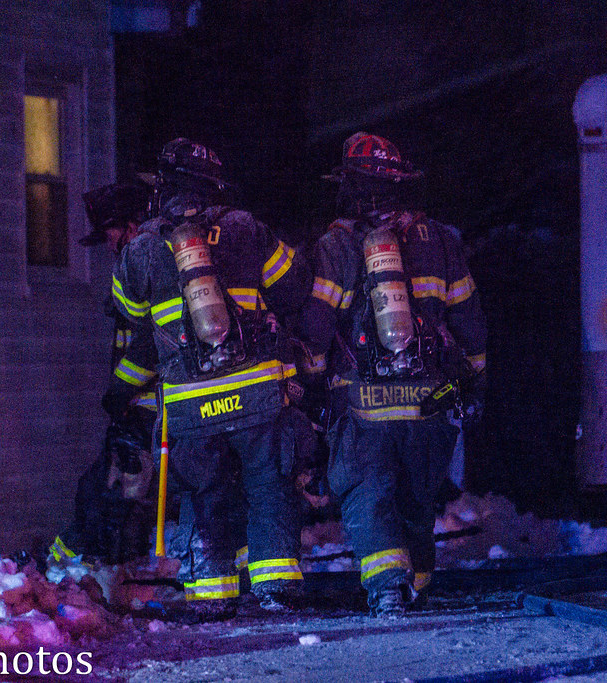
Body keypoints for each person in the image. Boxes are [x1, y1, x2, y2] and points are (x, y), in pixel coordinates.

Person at [112, 138, 311, 617]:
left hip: (189, 404)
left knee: (204, 491)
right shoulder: (244, 228)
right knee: (268, 484)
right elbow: (294, 286)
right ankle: (275, 586)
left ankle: (212, 592)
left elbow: (129, 312)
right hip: (255, 395)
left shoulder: (142, 249)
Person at [298, 132, 487, 618]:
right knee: (417, 499)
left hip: (363, 404)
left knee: (368, 494)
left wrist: (312, 384)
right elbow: (468, 320)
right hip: (430, 401)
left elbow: (317, 325)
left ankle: (387, 589)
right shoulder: (440, 240)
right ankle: (417, 584)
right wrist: (473, 380)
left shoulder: (338, 244)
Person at [50, 183, 160, 565]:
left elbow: (151, 339)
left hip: (153, 407)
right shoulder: (139, 263)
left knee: (110, 490)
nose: (109, 245)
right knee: (102, 488)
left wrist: (120, 390)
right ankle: (71, 563)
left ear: (130, 226)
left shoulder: (147, 263)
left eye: (110, 234)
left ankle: (84, 567)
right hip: (138, 406)